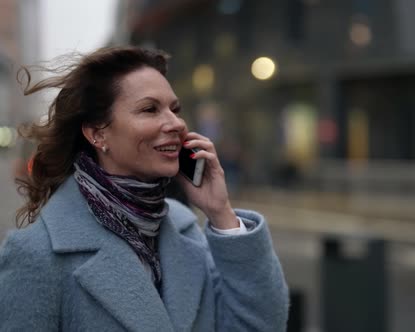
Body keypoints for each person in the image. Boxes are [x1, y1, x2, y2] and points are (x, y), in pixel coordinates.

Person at [0, 46, 289, 331]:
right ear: (97, 133)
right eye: (150, 109)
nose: (175, 123)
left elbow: (260, 325)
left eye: (175, 109)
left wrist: (220, 212)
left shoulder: (184, 227)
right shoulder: (37, 253)